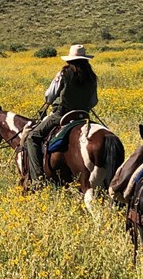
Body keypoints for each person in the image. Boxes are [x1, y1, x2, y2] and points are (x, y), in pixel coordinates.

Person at [24, 44, 98, 184]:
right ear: (85, 60)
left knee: (32, 137)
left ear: (69, 60)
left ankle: (38, 179)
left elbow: (49, 95)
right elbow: (93, 101)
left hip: (61, 115)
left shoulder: (64, 73)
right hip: (83, 116)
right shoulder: (91, 77)